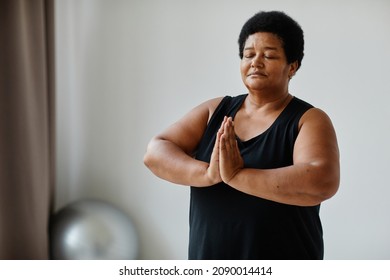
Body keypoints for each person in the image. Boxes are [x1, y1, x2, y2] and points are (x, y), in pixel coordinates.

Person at [143, 11, 340, 260]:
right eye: (248, 55)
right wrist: (209, 174)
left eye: (269, 55)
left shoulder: (308, 119)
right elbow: (155, 152)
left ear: (292, 66)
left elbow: (321, 180)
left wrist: (237, 176)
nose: (256, 62)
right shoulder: (215, 110)